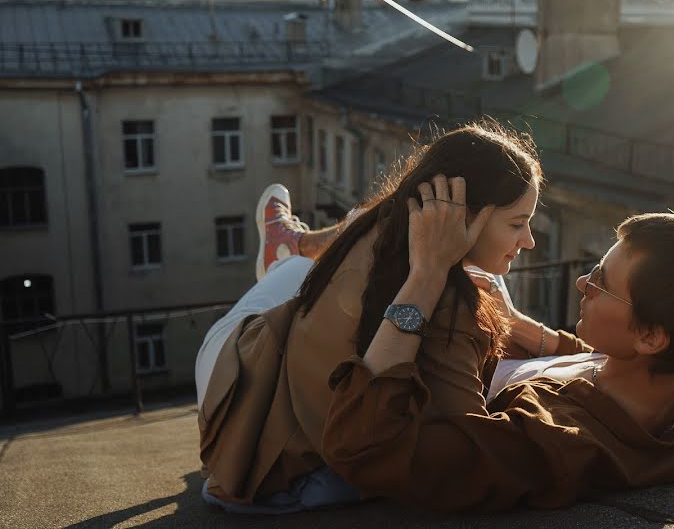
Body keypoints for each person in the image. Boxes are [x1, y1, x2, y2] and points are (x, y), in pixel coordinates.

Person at [320, 179, 674, 512]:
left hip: (354, 397)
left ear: (649, 336)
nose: (583, 283)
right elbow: (603, 361)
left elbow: (365, 450)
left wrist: (426, 277)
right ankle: (304, 245)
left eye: (602, 284)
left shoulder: (546, 444)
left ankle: (299, 249)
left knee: (367, 253)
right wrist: (527, 330)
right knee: (483, 275)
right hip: (500, 354)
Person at [195, 123, 543, 513]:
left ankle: (291, 246)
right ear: (462, 212)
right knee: (293, 272)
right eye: (517, 223)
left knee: (308, 261)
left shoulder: (380, 226)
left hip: (245, 388)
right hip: (232, 374)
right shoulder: (449, 303)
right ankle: (287, 252)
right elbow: (473, 448)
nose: (529, 240)